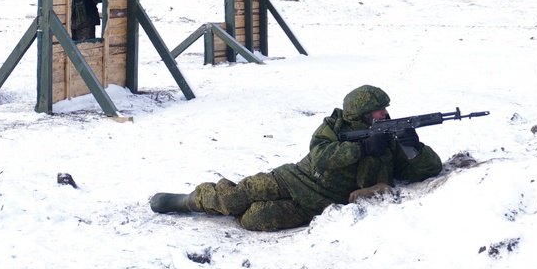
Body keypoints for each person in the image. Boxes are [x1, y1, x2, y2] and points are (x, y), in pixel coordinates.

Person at [149, 85, 443, 231]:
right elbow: (321, 157)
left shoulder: (391, 140)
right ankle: (190, 200)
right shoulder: (335, 127)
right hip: (290, 179)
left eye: (385, 108)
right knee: (231, 200)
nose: (385, 114)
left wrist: (413, 147)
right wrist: (363, 148)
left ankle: (232, 208)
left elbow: (427, 170)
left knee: (254, 220)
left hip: (315, 205)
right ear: (361, 113)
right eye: (379, 110)